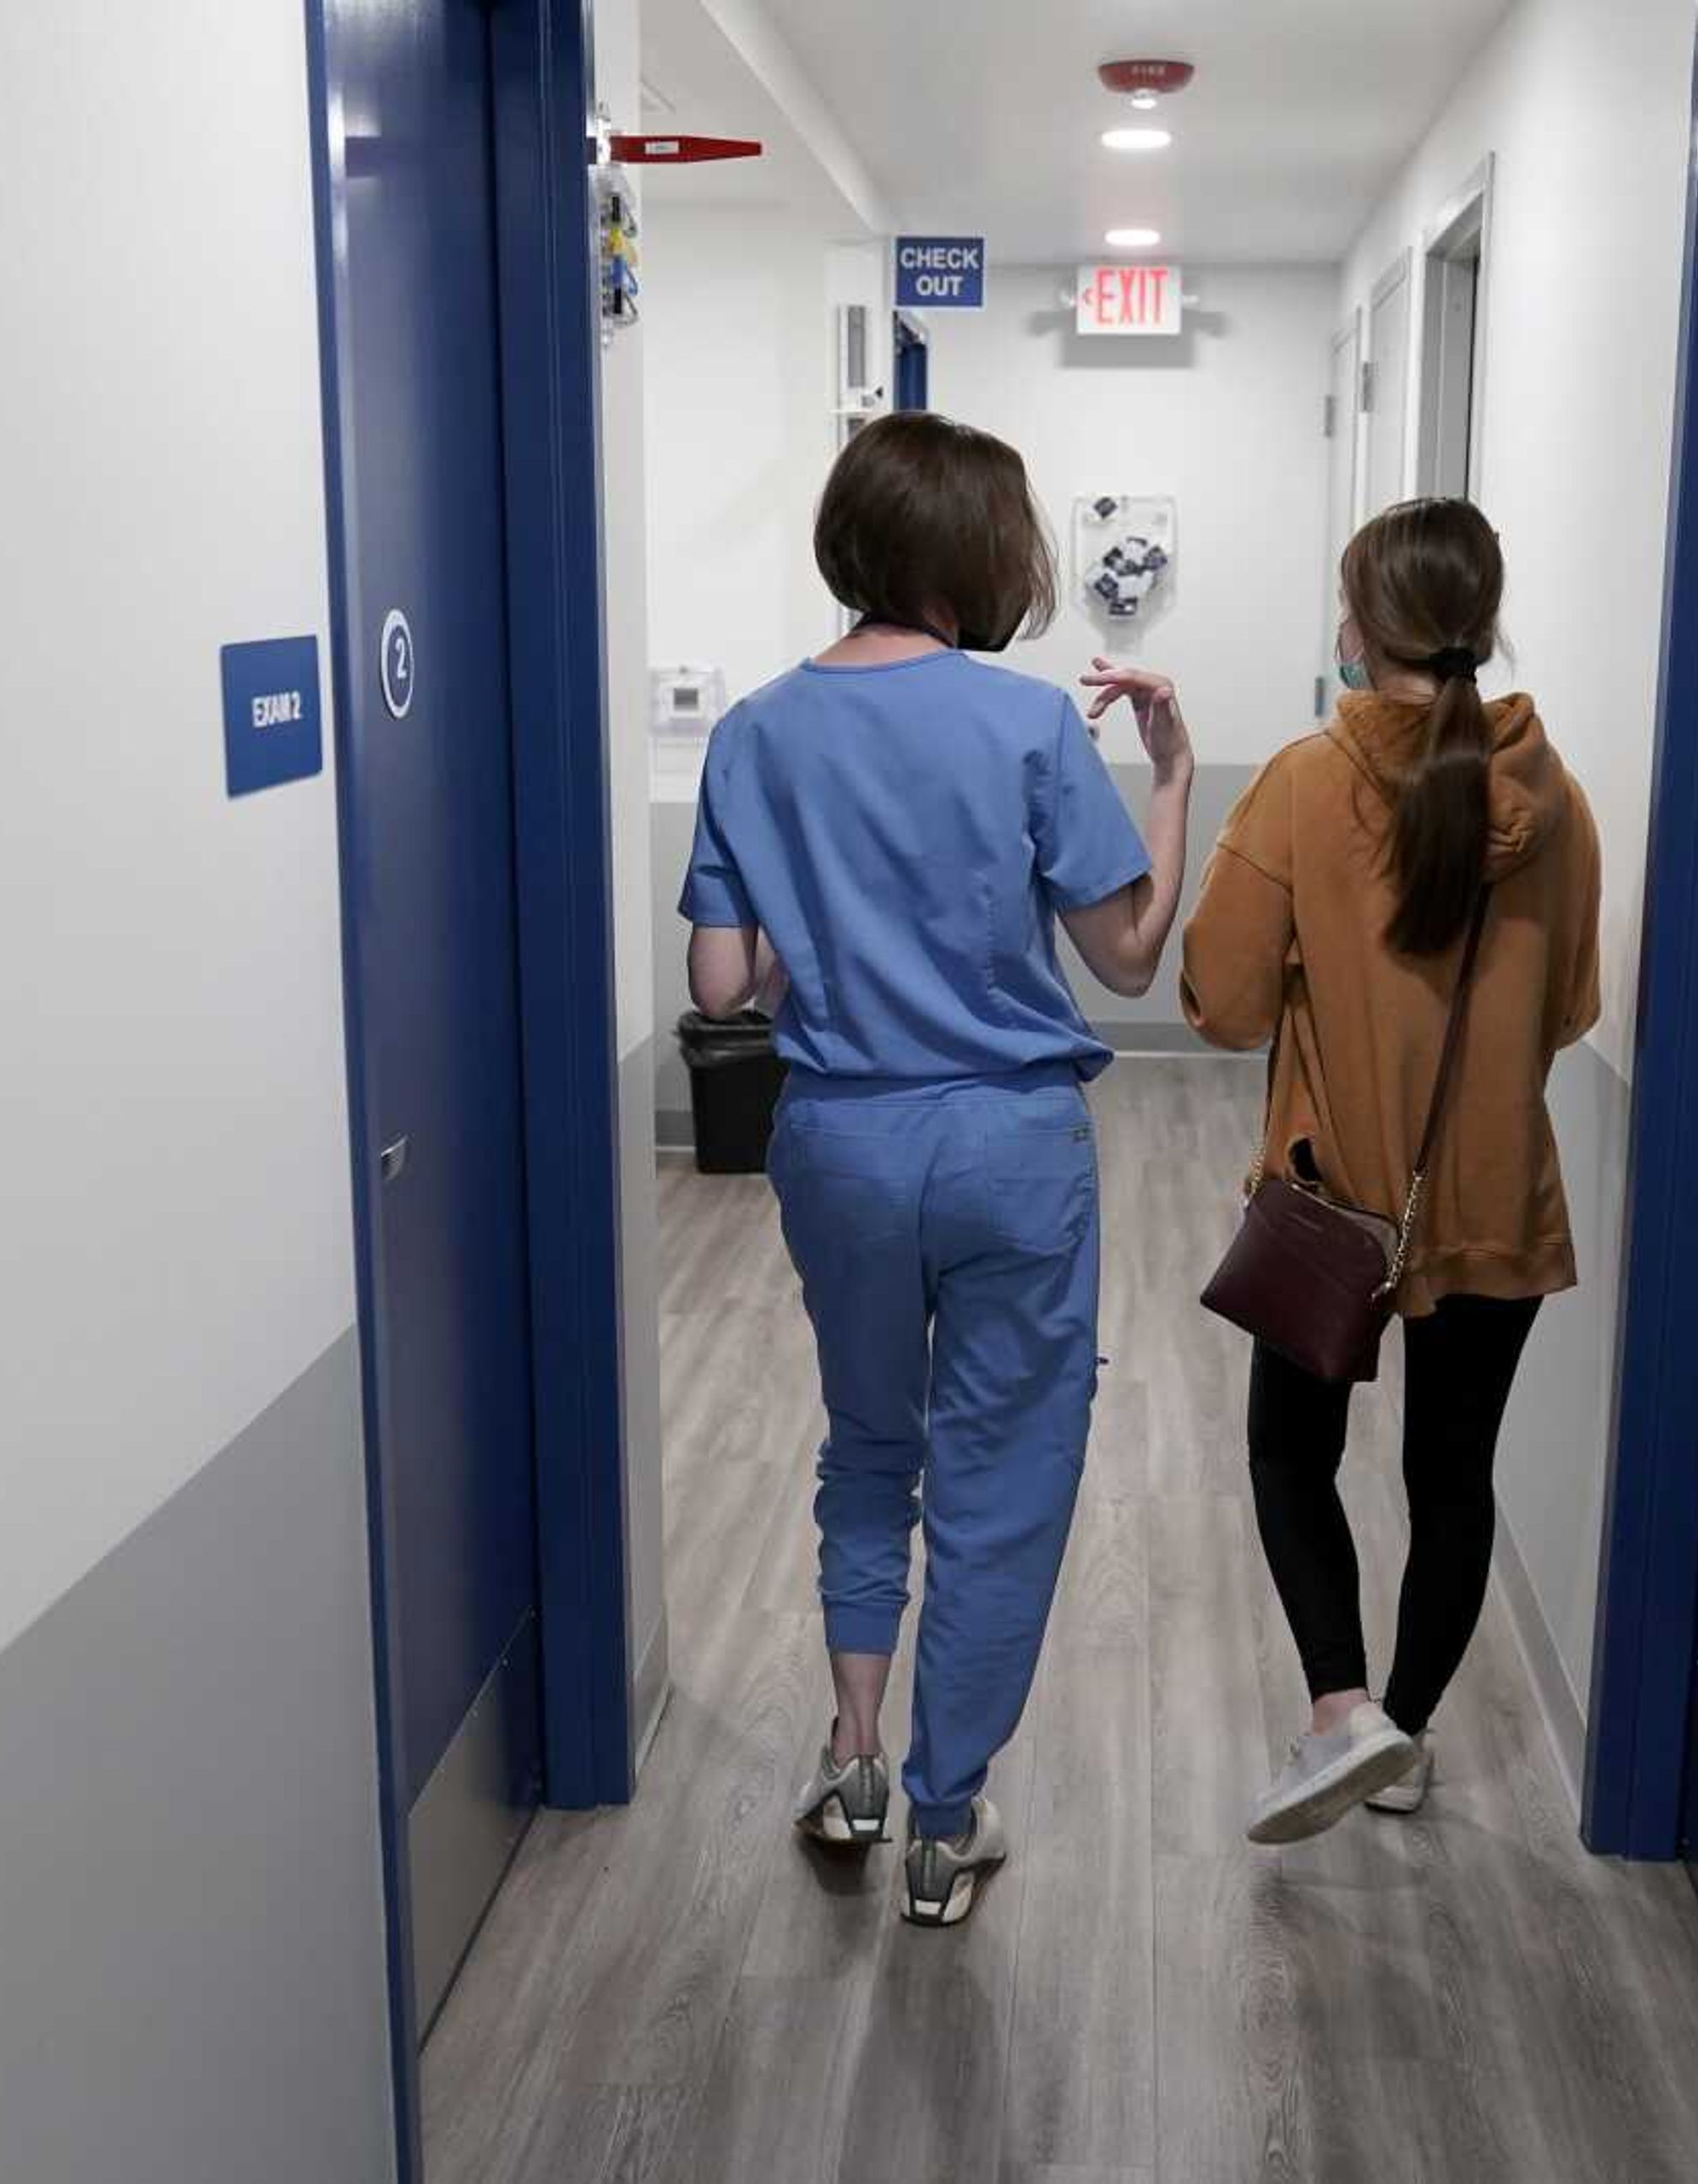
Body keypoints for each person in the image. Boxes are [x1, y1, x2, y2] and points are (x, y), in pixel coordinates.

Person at [680, 410, 1196, 1926]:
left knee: (866, 1444)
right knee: (1002, 1473)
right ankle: (943, 1814)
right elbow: (1127, 950)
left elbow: (723, 983)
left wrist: (825, 925)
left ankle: (850, 1754)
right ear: (982, 555)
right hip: (1006, 1150)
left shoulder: (756, 730)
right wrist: (1167, 781)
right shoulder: (1032, 725)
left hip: (837, 1143)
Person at [1176, 497, 1602, 1845]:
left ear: (1363, 627)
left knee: (1287, 1450)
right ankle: (1407, 1736)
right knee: (1454, 1476)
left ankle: (1341, 1707)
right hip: (1496, 1200)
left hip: (1338, 1196)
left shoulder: (1308, 782)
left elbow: (1226, 999)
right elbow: (1569, 1005)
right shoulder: (1553, 794)